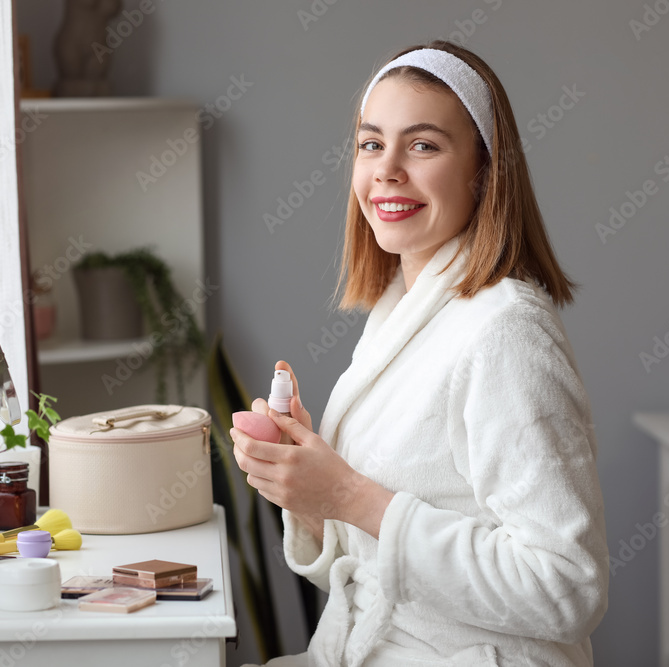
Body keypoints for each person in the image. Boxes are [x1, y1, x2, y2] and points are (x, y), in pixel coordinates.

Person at [232, 40, 608, 667]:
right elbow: (382, 567)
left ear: (484, 171)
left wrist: (350, 496)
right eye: (371, 143)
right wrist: (310, 491)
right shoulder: (404, 310)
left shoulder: (505, 332)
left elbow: (567, 589)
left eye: (424, 145)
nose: (387, 170)